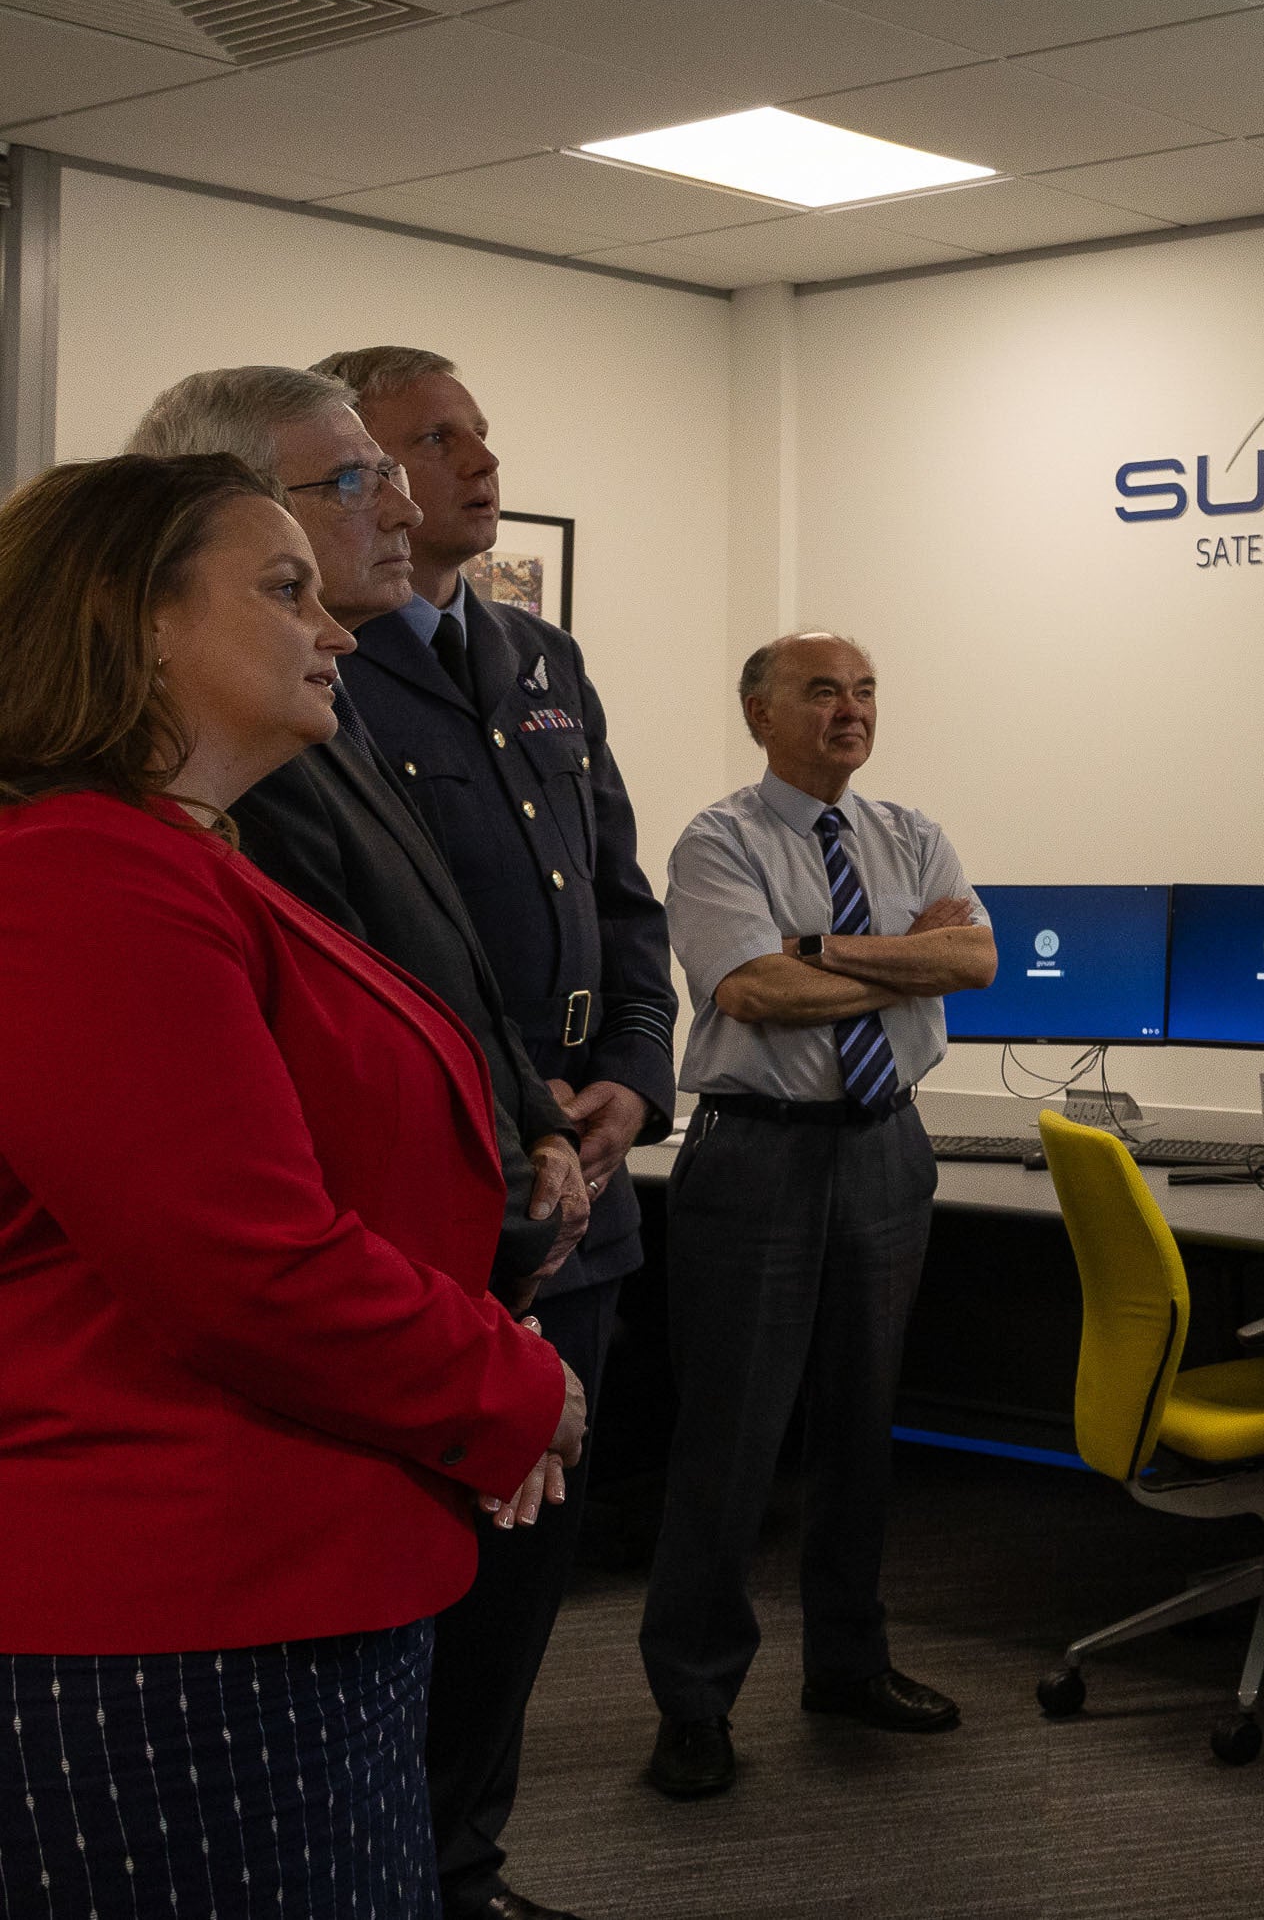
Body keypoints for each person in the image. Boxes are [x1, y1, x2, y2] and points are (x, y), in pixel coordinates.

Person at [0, 453, 581, 1918]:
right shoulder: (83, 875)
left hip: (281, 1589)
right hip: (180, 1622)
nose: (336, 630)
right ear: (133, 621)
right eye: (284, 589)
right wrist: (513, 1385)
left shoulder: (179, 859)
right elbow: (244, 1260)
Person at [314, 347, 676, 1920]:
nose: (471, 462)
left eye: (476, 433)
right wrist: (531, 1106)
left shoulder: (541, 652)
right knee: (412, 1572)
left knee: (529, 1579)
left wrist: (644, 1075)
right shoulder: (312, 656)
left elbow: (619, 894)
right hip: (438, 1194)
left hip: (585, 1200)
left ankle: (468, 1863)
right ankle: (389, 1870)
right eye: (425, 442)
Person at [127, 367, 590, 1308]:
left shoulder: (321, 706)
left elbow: (449, 964)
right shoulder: (228, 771)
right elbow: (350, 1074)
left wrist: (542, 1129)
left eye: (389, 473)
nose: (402, 513)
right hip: (401, 1271)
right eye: (353, 481)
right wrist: (501, 1254)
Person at [640, 632, 994, 1799]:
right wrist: (905, 958)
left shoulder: (912, 834)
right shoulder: (718, 841)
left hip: (887, 1150)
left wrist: (825, 947)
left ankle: (848, 1666)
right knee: (730, 1445)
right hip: (760, 1161)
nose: (850, 711)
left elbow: (978, 960)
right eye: (821, 692)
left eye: (865, 691)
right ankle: (694, 1703)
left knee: (863, 1434)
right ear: (759, 715)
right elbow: (753, 990)